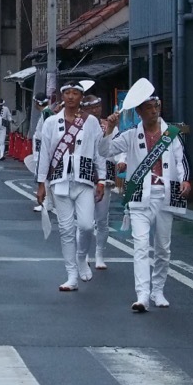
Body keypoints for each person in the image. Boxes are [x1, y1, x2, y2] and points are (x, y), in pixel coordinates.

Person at [101, 81, 191, 312]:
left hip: (166, 192)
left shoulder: (172, 134)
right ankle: (142, 295)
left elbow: (181, 162)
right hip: (140, 193)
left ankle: (158, 289)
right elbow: (105, 151)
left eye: (155, 106)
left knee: (163, 247)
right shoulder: (131, 135)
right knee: (141, 245)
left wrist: (185, 180)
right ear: (139, 112)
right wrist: (109, 131)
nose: (154, 110)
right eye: (148, 107)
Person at [36, 81, 106, 291]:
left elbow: (99, 151)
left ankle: (81, 257)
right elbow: (45, 154)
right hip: (60, 180)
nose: (71, 96)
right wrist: (41, 184)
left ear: (81, 97)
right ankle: (71, 276)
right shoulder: (51, 122)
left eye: (76, 93)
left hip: (84, 178)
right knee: (66, 230)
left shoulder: (91, 121)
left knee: (85, 225)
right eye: (67, 93)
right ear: (62, 96)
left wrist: (101, 179)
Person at [80, 94, 115, 271]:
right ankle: (84, 253)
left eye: (99, 107)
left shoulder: (109, 126)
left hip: (105, 175)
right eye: (92, 108)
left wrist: (121, 160)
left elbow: (117, 147)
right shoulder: (77, 125)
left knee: (102, 219)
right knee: (85, 220)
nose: (96, 110)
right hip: (84, 176)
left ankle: (100, 254)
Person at [29, 93, 52, 212]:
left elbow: (46, 134)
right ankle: (47, 200)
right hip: (41, 147)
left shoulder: (46, 113)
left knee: (43, 175)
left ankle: (46, 202)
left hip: (43, 148)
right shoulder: (46, 113)